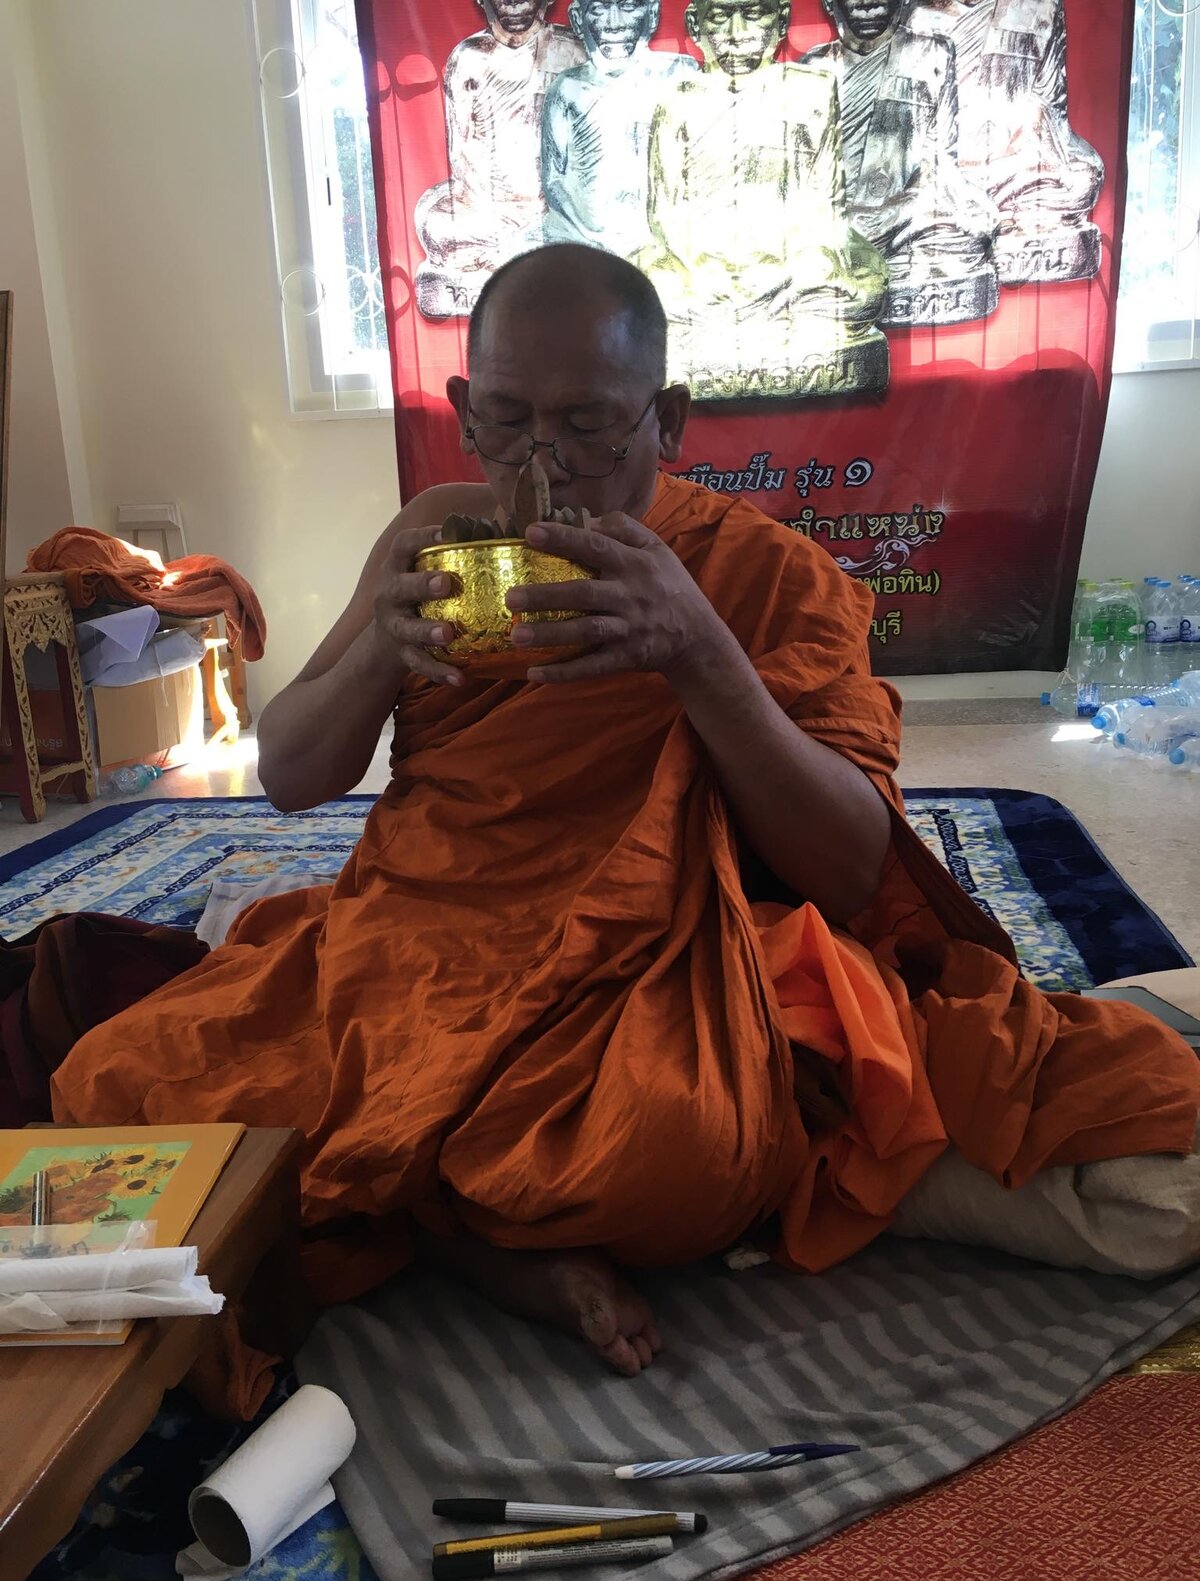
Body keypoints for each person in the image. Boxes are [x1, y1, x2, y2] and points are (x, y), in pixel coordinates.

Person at [53, 246, 1199, 1387]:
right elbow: (294, 775)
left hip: (642, 952)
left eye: (588, 426)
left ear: (669, 419)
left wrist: (699, 653)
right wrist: (377, 657)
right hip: (413, 935)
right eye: (506, 422)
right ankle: (471, 1235)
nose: (540, 467)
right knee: (120, 1084)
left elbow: (855, 868)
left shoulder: (769, 577)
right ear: (463, 406)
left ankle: (436, 1218)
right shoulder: (437, 532)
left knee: (680, 1147)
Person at [637, 0, 890, 400]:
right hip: (702, 265)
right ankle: (756, 322)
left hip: (792, 260)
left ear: (782, 21)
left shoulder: (811, 89)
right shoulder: (677, 100)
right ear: (694, 25)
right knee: (652, 289)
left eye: (754, 15)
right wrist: (703, 269)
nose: (736, 34)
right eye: (719, 17)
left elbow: (825, 201)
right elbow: (665, 210)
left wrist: (788, 266)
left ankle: (752, 322)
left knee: (860, 289)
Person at [805, 0, 999, 326]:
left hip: (908, 212)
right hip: (843, 218)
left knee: (973, 221)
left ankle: (869, 264)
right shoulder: (814, 67)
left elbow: (941, 158)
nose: (868, 5)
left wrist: (898, 210)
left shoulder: (933, 53)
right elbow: (807, 176)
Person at [908, 0, 1103, 283]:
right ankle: (988, 221)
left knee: (1086, 177)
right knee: (925, 198)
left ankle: (986, 223)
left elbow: (1052, 107)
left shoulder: (1042, 7)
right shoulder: (918, 16)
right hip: (952, 172)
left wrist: (1031, 130)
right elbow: (913, 125)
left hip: (1015, 164)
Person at [415, 0, 584, 319]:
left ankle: (514, 256)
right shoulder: (468, 58)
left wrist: (546, 210)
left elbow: (584, 151)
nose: (514, 2)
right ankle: (520, 255)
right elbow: (461, 151)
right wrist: (497, 212)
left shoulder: (571, 50)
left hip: (553, 208)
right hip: (490, 208)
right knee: (432, 217)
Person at [541, 0, 697, 256]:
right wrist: (592, 237)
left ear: (653, 13)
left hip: (662, 240)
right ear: (578, 19)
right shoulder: (567, 88)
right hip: (585, 240)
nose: (614, 24)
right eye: (598, 9)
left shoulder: (680, 74)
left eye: (629, 6)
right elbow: (554, 180)